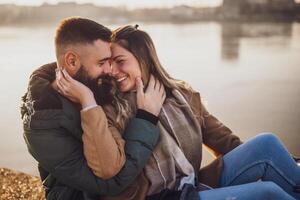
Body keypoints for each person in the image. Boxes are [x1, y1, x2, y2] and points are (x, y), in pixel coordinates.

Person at [56, 24, 300, 200]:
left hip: (191, 185)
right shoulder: (109, 107)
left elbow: (224, 141)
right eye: (108, 62)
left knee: (267, 144)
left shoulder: (181, 95)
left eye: (119, 61)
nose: (112, 70)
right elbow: (109, 167)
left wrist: (266, 163)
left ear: (144, 60)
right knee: (266, 193)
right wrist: (143, 114)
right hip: (160, 197)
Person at [21, 18, 166, 200]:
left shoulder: (92, 83)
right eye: (102, 62)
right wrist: (89, 103)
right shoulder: (42, 127)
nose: (110, 70)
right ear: (72, 61)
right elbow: (110, 179)